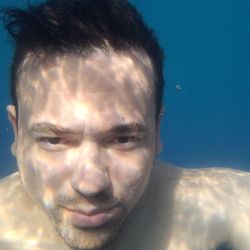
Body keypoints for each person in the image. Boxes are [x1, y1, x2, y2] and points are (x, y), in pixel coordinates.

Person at [0, 0, 249, 249]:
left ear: (157, 131)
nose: (90, 185)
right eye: (53, 140)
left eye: (123, 139)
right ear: (16, 131)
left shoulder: (227, 201)